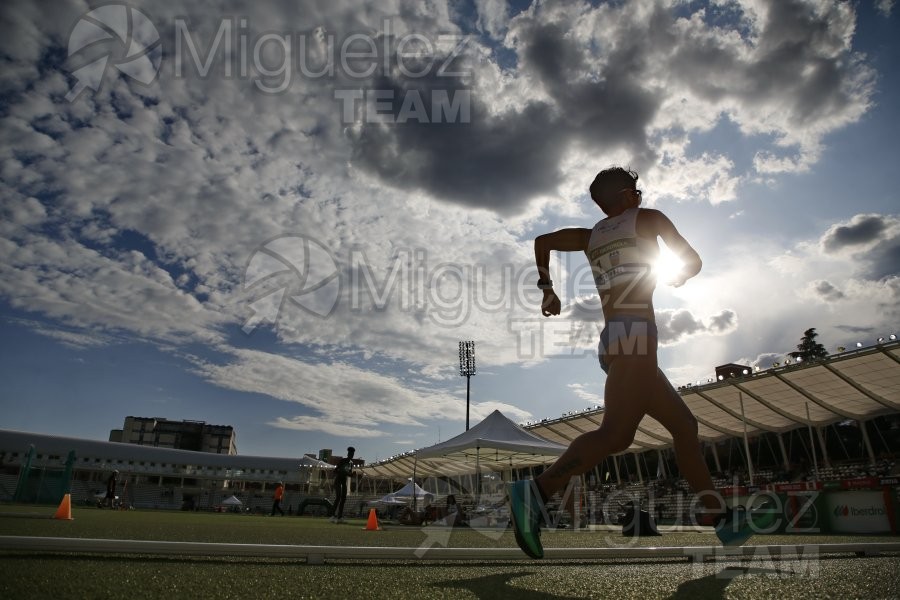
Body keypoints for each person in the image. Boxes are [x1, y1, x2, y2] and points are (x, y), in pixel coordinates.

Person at [507, 167, 773, 559]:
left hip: (616, 338)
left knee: (684, 426)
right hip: (637, 337)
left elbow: (542, 240)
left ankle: (720, 518)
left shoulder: (589, 236)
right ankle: (536, 491)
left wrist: (547, 289)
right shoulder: (649, 219)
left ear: (601, 202)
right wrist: (682, 273)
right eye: (638, 191)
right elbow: (692, 260)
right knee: (615, 435)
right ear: (631, 194)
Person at [330, 446, 355, 523]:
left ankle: (339, 517)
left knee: (343, 499)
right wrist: (344, 472)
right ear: (348, 454)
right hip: (338, 480)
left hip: (344, 481)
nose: (351, 455)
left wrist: (352, 474)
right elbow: (335, 471)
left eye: (353, 453)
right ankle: (332, 516)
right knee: (338, 497)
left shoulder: (351, 463)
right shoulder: (343, 461)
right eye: (350, 453)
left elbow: (349, 474)